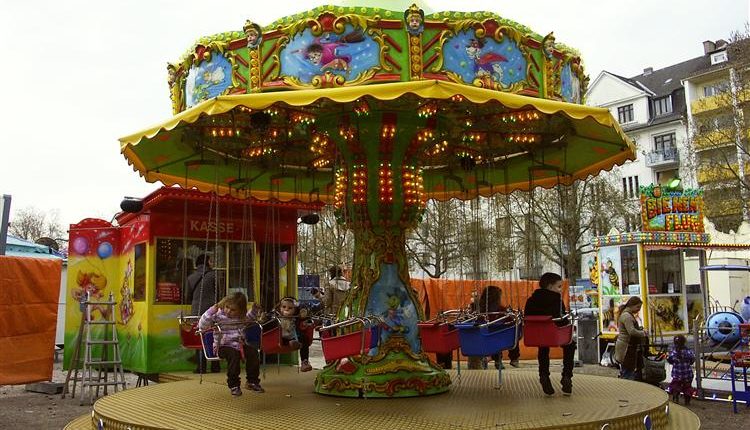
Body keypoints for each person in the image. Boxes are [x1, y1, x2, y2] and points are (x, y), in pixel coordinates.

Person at [198, 292, 264, 396]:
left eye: (233, 310)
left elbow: (250, 318)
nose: (228, 311)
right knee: (234, 355)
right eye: (227, 307)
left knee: (253, 352)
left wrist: (255, 309)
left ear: (240, 311)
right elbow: (202, 326)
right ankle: (234, 384)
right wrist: (210, 312)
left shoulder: (241, 317)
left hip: (239, 346)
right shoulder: (218, 316)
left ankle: (252, 381)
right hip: (222, 346)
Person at [524, 273, 576, 396]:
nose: (560, 290)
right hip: (554, 334)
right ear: (550, 286)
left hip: (537, 334)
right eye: (559, 286)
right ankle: (567, 375)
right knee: (570, 345)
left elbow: (527, 317)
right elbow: (561, 320)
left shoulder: (531, 300)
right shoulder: (557, 301)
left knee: (543, 348)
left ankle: (544, 375)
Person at [468, 286, 520, 370]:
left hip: (480, 337)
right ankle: (513, 358)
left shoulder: (476, 308)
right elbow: (510, 321)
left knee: (494, 333)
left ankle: (498, 359)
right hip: (495, 337)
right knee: (512, 332)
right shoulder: (501, 310)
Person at [186, 254, 220, 373]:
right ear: (207, 262)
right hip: (212, 311)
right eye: (211, 261)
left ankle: (201, 367)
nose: (212, 263)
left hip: (196, 311)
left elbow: (187, 296)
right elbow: (218, 292)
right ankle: (215, 366)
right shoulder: (213, 275)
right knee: (214, 336)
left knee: (200, 337)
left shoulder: (191, 277)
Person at [614, 296, 648, 380]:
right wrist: (643, 333)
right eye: (638, 307)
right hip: (627, 348)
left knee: (626, 370)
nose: (639, 309)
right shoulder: (627, 316)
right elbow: (631, 331)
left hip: (626, 346)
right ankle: (627, 386)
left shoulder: (626, 314)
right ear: (632, 305)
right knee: (627, 372)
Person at [667, 335, 695, 405]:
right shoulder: (688, 352)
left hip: (677, 374)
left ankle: (675, 399)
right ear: (684, 342)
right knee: (687, 387)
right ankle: (687, 401)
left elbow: (670, 360)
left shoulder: (673, 352)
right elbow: (692, 360)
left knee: (675, 387)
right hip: (687, 374)